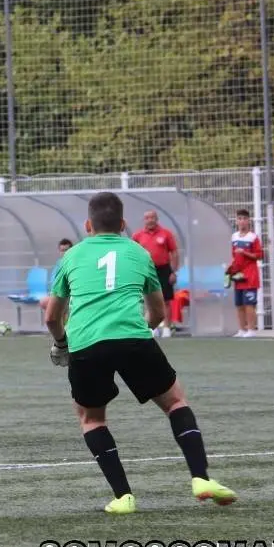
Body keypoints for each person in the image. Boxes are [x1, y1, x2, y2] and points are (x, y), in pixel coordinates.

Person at [44, 191, 236, 515]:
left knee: (92, 418)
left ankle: (124, 497)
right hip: (133, 337)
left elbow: (51, 318)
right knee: (175, 402)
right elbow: (159, 313)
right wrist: (138, 330)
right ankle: (201, 478)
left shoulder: (70, 257)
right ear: (123, 224)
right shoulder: (139, 252)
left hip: (86, 344)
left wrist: (62, 343)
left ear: (88, 225)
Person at [131, 210, 178, 338]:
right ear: (144, 220)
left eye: (152, 217)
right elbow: (132, 253)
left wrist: (173, 272)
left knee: (166, 299)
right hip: (146, 270)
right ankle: (152, 327)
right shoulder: (137, 235)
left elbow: (174, 252)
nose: (150, 220)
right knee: (147, 299)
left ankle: (167, 328)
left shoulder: (166, 234)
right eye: (147, 218)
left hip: (163, 270)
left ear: (157, 219)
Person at [228, 209, 263, 338]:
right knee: (239, 304)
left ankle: (251, 330)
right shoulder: (234, 237)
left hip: (250, 276)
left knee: (249, 304)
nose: (242, 221)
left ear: (248, 221)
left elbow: (259, 255)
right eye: (239, 219)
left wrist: (244, 252)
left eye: (244, 219)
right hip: (238, 276)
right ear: (236, 221)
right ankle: (242, 329)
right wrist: (230, 270)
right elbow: (234, 256)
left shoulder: (253, 237)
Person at [38, 238, 74, 313]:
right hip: (59, 294)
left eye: (66, 250)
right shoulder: (59, 264)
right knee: (44, 301)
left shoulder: (74, 263)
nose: (64, 253)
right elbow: (54, 283)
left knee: (47, 303)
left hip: (70, 295)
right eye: (62, 250)